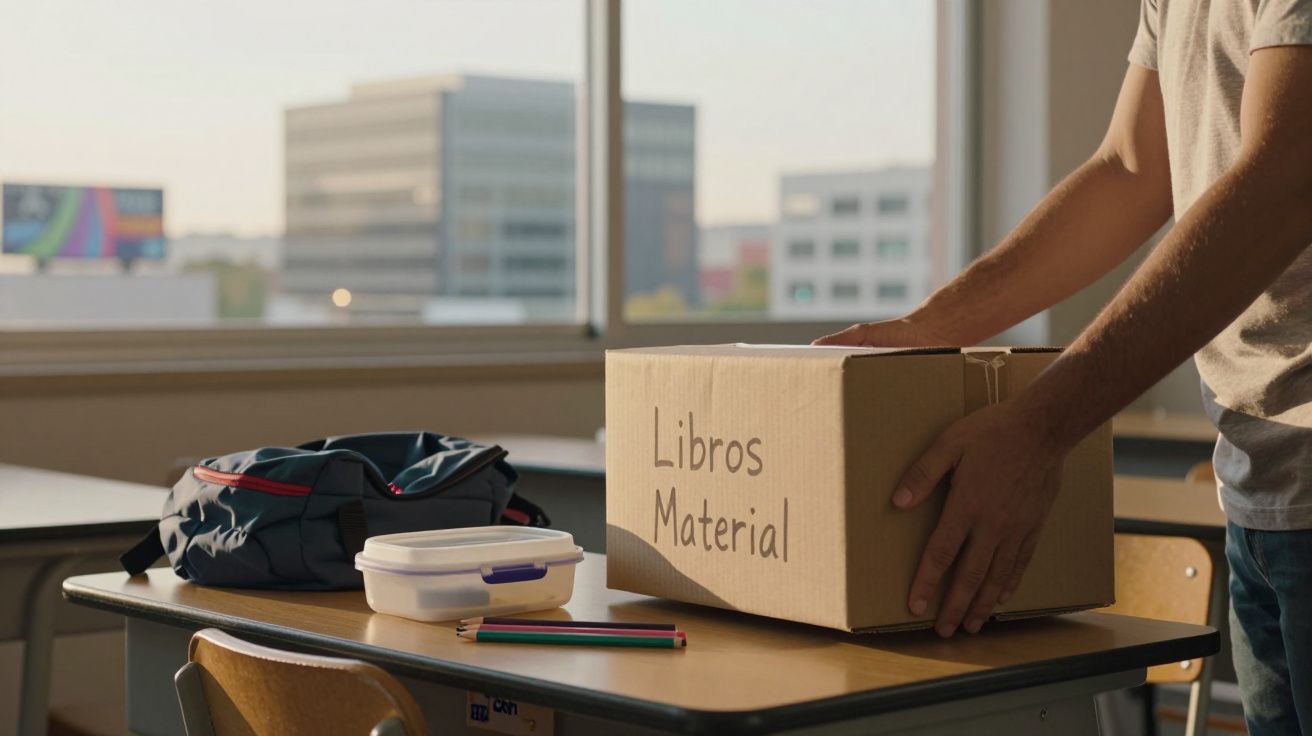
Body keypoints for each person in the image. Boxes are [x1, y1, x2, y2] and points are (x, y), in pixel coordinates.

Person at [815, 1, 1312, 731]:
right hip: (1259, 485)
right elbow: (1131, 168)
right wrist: (923, 333)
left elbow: (1283, 180)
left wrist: (1041, 426)